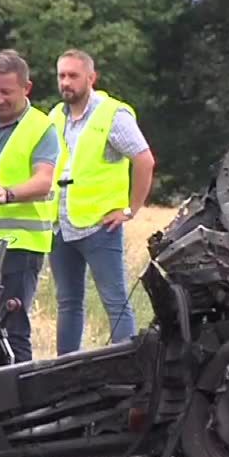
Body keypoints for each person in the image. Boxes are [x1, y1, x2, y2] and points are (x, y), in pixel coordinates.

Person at [48, 49, 155, 356]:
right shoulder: (56, 115)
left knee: (115, 301)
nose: (66, 82)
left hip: (99, 225)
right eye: (61, 75)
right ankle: (64, 369)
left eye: (73, 76)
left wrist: (130, 210)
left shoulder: (112, 114)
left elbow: (145, 161)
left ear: (91, 78)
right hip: (61, 223)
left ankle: (129, 368)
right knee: (68, 302)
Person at [0, 49, 59, 363]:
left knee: (11, 327)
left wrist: (7, 193)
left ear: (26, 88)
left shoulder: (41, 128)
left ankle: (20, 396)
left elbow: (44, 181)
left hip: (20, 246)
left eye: (6, 92)